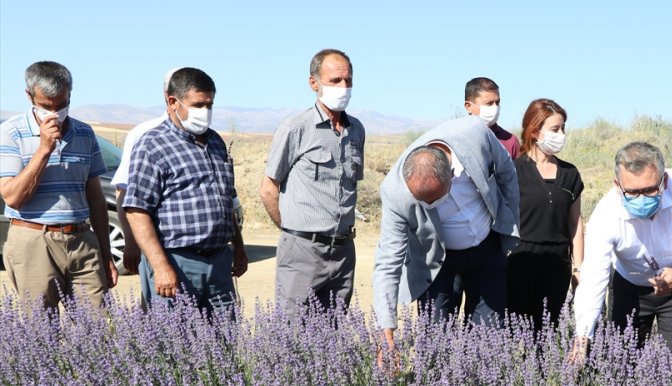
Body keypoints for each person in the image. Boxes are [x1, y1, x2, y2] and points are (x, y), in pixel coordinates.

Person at [372, 115, 519, 362]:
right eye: (423, 201)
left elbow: (507, 173)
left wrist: (509, 224)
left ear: (451, 174)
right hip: (437, 264)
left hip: (487, 251)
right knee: (435, 347)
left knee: (488, 342)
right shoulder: (394, 192)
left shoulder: (476, 134)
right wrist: (385, 332)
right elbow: (388, 261)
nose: (430, 205)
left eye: (435, 199)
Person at [572, 142, 672, 354]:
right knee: (621, 363)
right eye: (632, 193)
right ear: (617, 185)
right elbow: (594, 276)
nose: (641, 199)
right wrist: (583, 336)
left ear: (665, 181)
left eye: (650, 190)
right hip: (630, 285)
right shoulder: (606, 213)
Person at [123, 67, 247, 316]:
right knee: (174, 348)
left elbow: (225, 200)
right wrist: (160, 266)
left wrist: (239, 248)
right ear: (172, 102)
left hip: (219, 263)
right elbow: (137, 210)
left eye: (209, 104)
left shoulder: (215, 142)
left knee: (223, 344)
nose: (205, 112)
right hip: (176, 262)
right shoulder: (152, 145)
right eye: (198, 104)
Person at [0, 61, 118, 309]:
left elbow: (96, 198)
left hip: (82, 240)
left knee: (98, 330)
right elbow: (12, 197)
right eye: (45, 106)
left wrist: (106, 254)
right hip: (34, 240)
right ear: (29, 96)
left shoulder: (85, 134)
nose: (54, 113)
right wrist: (44, 149)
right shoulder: (10, 133)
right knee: (42, 330)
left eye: (61, 105)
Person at [260, 48, 365, 312]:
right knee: (293, 336)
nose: (343, 87)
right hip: (303, 251)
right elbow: (268, 189)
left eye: (348, 81)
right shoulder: (295, 128)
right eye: (335, 81)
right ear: (314, 83)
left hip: (342, 251)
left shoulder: (357, 131)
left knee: (332, 336)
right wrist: (293, 232)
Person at [507, 99, 584, 330]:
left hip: (557, 263)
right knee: (513, 330)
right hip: (519, 260)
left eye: (563, 129)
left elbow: (576, 224)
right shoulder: (513, 170)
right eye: (555, 129)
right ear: (534, 131)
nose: (561, 134)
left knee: (547, 333)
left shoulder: (570, 174)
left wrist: (578, 268)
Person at [112, 67, 179, 276]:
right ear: (169, 97)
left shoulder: (208, 136)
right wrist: (131, 242)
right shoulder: (144, 134)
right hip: (158, 248)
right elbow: (124, 192)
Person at [464, 77, 520, 159]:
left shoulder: (510, 141)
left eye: (497, 102)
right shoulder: (456, 138)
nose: (495, 107)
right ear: (469, 107)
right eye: (489, 103)